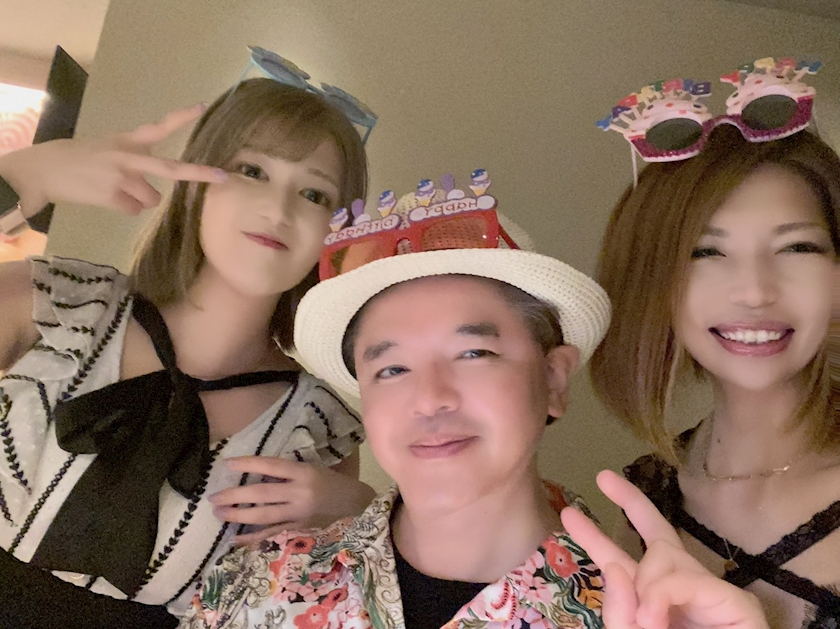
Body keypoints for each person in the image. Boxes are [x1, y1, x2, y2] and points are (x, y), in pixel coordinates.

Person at [180, 179, 771, 629]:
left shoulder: (646, 617)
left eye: (474, 354)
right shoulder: (257, 584)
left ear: (553, 379)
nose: (429, 398)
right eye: (391, 369)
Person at [0, 75, 375, 628]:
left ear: (338, 230)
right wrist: (19, 176)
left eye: (315, 194)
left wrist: (362, 519)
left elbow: (297, 607)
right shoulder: (54, 305)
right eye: (253, 170)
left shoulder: (316, 428)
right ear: (197, 178)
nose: (278, 208)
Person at [590, 57, 840, 628]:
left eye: (797, 248)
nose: (754, 291)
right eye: (706, 252)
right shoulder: (644, 506)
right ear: (654, 282)